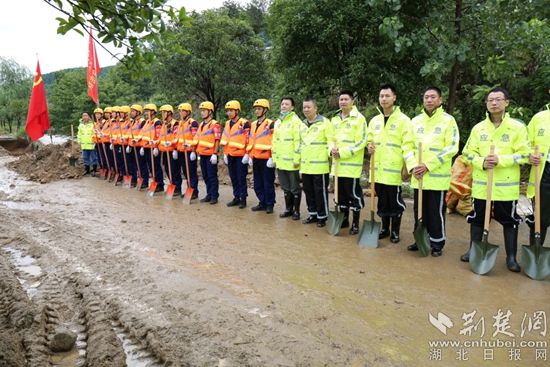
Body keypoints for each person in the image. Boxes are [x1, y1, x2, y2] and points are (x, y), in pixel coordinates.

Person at [460, 87, 530, 271]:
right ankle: (473, 250)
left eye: (498, 99)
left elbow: (524, 155)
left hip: (506, 188)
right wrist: (481, 161)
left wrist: (501, 160)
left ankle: (512, 258)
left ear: (507, 103)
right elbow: (467, 153)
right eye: (490, 100)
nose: (494, 103)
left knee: (510, 221)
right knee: (477, 219)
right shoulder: (479, 128)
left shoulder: (517, 128)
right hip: (482, 186)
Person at [405, 86, 459, 256]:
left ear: (440, 100)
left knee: (436, 212)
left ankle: (437, 243)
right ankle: (420, 239)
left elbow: (452, 147)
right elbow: (407, 146)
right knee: (419, 210)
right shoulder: (415, 121)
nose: (429, 100)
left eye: (433, 97)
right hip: (418, 175)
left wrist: (428, 165)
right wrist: (413, 165)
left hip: (436, 177)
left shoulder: (448, 121)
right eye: (426, 97)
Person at [367, 84, 411, 243]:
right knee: (382, 201)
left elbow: (408, 145)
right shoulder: (374, 121)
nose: (383, 99)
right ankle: (385, 228)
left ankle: (395, 231)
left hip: (393, 171)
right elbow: (369, 139)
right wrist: (369, 146)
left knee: (395, 203)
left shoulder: (404, 121)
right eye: (381, 96)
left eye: (387, 96)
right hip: (378, 170)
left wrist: (406, 167)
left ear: (394, 98)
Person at [330, 91, 367, 235]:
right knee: (340, 196)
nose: (343, 102)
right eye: (341, 99)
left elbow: (361, 141)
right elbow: (330, 139)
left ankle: (355, 224)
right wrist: (331, 150)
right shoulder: (335, 119)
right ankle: (344, 220)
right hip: (337, 166)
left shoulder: (359, 119)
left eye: (346, 99)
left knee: (353, 196)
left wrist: (343, 152)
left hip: (351, 167)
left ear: (352, 101)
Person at [300, 97, 333, 227]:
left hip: (319, 165)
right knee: (308, 191)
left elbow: (331, 140)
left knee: (320, 192)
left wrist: (331, 151)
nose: (306, 110)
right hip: (306, 165)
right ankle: (312, 213)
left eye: (309, 107)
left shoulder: (325, 122)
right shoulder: (302, 124)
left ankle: (322, 216)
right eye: (304, 107)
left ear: (315, 108)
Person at [272, 97, 302, 220]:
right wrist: (274, 157)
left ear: (292, 107)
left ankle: (296, 211)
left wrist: (297, 158)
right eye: (282, 104)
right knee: (285, 187)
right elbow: (275, 141)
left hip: (292, 162)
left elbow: (298, 141)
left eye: (287, 104)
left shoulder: (296, 121)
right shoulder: (278, 122)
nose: (283, 106)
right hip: (281, 161)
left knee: (294, 187)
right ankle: (288, 209)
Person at [526, 100, 550, 246]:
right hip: (544, 171)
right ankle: (536, 252)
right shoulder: (539, 118)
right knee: (541, 216)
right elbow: (526, 143)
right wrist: (529, 154)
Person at [247, 99, 276, 214]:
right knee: (258, 183)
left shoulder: (271, 124)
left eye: (259, 109)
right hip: (255, 158)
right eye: (256, 109)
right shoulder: (253, 124)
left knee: (268, 182)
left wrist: (272, 157)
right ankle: (262, 202)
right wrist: (249, 155)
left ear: (265, 110)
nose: (257, 111)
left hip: (266, 158)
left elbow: (274, 141)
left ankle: (269, 204)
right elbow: (251, 141)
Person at [221, 100, 251, 208]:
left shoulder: (244, 123)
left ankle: (243, 199)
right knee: (233, 177)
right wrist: (225, 153)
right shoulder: (227, 123)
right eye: (227, 111)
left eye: (231, 111)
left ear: (237, 111)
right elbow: (225, 139)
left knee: (241, 178)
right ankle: (236, 197)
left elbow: (248, 139)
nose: (229, 113)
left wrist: (247, 154)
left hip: (241, 156)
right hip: (230, 155)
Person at [194, 101, 221, 204]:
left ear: (210, 112)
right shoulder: (201, 125)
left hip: (211, 155)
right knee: (205, 176)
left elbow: (217, 139)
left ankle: (214, 196)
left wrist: (215, 153)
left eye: (204, 111)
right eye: (201, 111)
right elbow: (197, 138)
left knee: (212, 176)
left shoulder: (215, 124)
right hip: (202, 154)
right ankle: (209, 194)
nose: (202, 113)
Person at [175, 103, 199, 199]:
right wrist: (176, 149)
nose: (180, 113)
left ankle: (194, 191)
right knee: (185, 172)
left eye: (182, 111)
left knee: (191, 172)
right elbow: (177, 137)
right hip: (181, 151)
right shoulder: (180, 123)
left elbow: (195, 137)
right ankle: (189, 189)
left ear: (188, 112)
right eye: (180, 111)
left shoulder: (192, 123)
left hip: (189, 151)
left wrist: (193, 150)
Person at [158, 104, 181, 196]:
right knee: (167, 169)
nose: (162, 114)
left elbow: (176, 136)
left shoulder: (175, 124)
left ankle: (178, 188)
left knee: (174, 170)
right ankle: (172, 184)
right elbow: (161, 137)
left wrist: (175, 148)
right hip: (165, 150)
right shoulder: (164, 124)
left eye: (164, 112)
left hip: (172, 151)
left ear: (169, 113)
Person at [141, 104, 164, 193]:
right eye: (146, 111)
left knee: (156, 166)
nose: (146, 113)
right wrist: (143, 146)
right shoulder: (146, 122)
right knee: (151, 167)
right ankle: (155, 182)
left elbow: (159, 136)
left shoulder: (157, 122)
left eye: (148, 111)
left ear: (153, 112)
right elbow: (143, 134)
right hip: (147, 148)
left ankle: (160, 184)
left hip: (154, 148)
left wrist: (156, 147)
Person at [128, 104, 149, 189]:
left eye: (133, 111)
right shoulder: (133, 122)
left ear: (138, 112)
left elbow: (143, 134)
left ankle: (145, 181)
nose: (131, 113)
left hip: (139, 146)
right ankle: (134, 179)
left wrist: (142, 146)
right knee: (132, 164)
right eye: (131, 111)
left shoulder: (142, 122)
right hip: (133, 146)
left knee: (142, 165)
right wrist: (129, 145)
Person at [77, 112, 98, 176]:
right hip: (84, 144)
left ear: (89, 117)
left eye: (86, 115)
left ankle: (94, 170)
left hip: (91, 144)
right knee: (85, 158)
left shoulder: (93, 124)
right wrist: (79, 140)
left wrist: (95, 141)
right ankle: (87, 170)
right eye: (83, 116)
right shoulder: (81, 125)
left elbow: (95, 133)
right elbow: (79, 134)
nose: (85, 117)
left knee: (94, 158)